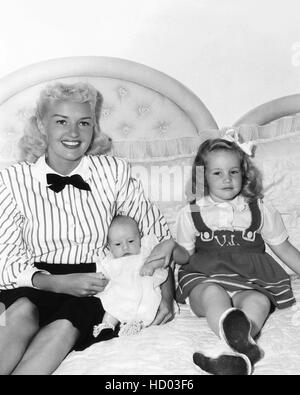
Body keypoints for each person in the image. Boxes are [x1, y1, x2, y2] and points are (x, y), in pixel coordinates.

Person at [0, 82, 179, 375]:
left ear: (93, 127)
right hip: (34, 281)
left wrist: (167, 296)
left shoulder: (113, 171)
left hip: (96, 285)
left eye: (83, 123)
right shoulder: (12, 180)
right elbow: (3, 262)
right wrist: (56, 282)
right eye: (61, 122)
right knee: (19, 313)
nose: (73, 134)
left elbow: (156, 236)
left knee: (62, 331)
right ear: (41, 126)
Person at [175, 129, 300, 375]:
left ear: (244, 173)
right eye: (217, 173)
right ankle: (237, 341)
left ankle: (239, 353)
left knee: (259, 301)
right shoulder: (190, 213)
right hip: (205, 276)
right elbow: (184, 256)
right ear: (202, 177)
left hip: (250, 279)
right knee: (213, 294)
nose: (227, 179)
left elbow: (283, 248)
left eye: (233, 172)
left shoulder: (259, 209)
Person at [93, 215, 184, 338]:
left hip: (145, 292)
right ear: (109, 246)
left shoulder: (146, 250)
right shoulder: (110, 260)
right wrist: (100, 277)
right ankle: (106, 326)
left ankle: (137, 323)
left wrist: (152, 265)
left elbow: (164, 260)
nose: (125, 247)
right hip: (121, 295)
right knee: (111, 308)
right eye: (118, 244)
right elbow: (103, 271)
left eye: (131, 241)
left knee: (149, 304)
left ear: (139, 238)